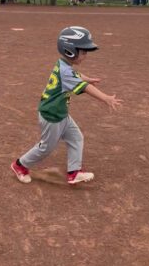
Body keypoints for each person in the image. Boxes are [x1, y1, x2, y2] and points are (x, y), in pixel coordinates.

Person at [11, 26, 123, 185]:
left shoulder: (63, 64)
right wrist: (106, 98)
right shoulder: (66, 71)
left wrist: (87, 78)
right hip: (52, 115)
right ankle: (19, 165)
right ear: (70, 51)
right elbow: (84, 87)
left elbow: (75, 75)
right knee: (46, 148)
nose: (85, 56)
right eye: (83, 52)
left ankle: (74, 173)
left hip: (60, 113)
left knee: (76, 138)